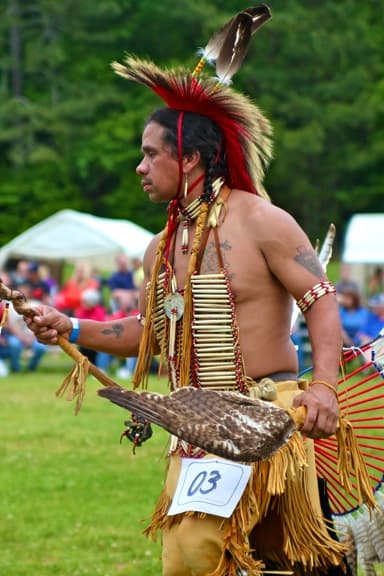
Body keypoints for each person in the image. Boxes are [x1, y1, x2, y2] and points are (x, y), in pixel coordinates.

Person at [25, 7, 352, 576]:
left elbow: (320, 297)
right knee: (195, 557)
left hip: (268, 417)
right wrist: (70, 326)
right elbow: (145, 334)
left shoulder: (261, 222)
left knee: (274, 559)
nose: (139, 167)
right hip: (196, 426)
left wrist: (323, 387)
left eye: (152, 154)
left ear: (192, 158)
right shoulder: (160, 248)